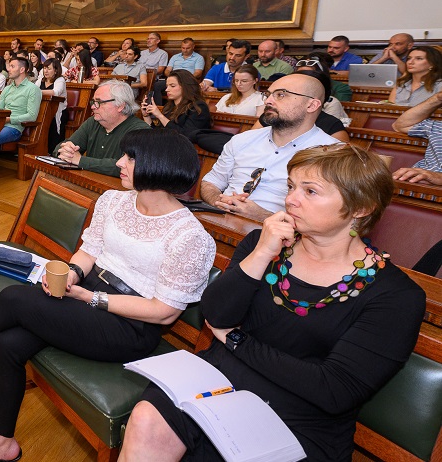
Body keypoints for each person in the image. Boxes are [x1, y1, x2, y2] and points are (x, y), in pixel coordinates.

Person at [0, 129, 216, 462]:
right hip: (88, 292)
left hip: (130, 324)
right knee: (9, 342)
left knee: (14, 299)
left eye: (130, 158)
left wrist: (89, 298)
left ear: (158, 165)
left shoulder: (190, 236)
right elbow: (90, 251)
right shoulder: (114, 200)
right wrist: (73, 273)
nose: (118, 163)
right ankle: (2, 447)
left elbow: (163, 311)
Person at [124, 145, 425, 462]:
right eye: (291, 186)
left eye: (310, 191)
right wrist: (262, 254)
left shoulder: (395, 296)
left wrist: (237, 340)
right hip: (218, 380)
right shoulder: (261, 244)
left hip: (298, 416)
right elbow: (214, 316)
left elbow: (334, 390)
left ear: (361, 207)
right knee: (148, 418)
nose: (291, 199)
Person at [199, 73, 341, 220]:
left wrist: (263, 216)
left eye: (281, 95)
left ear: (311, 105)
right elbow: (211, 182)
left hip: (279, 232)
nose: (268, 101)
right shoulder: (242, 140)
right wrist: (219, 201)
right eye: (268, 95)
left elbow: (330, 222)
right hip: (219, 221)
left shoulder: (333, 154)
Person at [55, 80, 149, 176]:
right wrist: (65, 151)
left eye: (99, 102)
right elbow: (59, 148)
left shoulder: (140, 131)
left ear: (120, 106)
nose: (93, 107)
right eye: (93, 102)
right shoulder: (93, 122)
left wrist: (80, 160)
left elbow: (128, 167)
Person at [0, 57, 43, 162]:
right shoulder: (7, 89)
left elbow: (31, 116)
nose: (8, 69)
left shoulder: (33, 89)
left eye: (12, 66)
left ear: (22, 69)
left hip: (14, 128)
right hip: (0, 124)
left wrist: (9, 119)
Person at [393, 90, 442, 186]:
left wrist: (438, 177)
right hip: (413, 183)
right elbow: (400, 126)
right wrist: (438, 98)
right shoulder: (437, 126)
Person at [141, 70, 210, 139]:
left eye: (172, 86)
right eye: (167, 86)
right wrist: (146, 116)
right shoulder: (169, 106)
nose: (166, 89)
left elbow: (187, 136)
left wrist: (160, 116)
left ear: (185, 87)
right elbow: (158, 133)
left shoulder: (198, 106)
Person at [37, 58, 67, 152]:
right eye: (44, 68)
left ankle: (52, 151)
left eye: (49, 68)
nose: (45, 71)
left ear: (56, 70)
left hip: (58, 112)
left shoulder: (60, 80)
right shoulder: (40, 80)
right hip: (42, 110)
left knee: (52, 123)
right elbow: (32, 89)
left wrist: (37, 92)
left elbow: (56, 92)